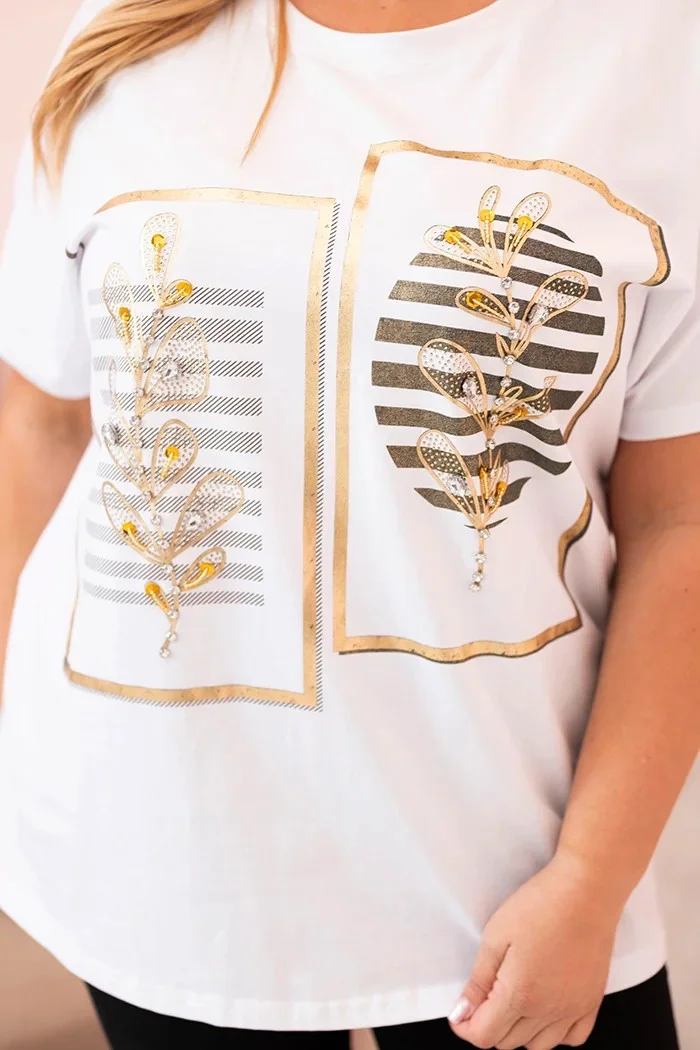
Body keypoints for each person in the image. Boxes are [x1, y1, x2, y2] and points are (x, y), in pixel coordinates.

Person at [0, 0, 699, 1046]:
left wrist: (592, 878)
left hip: (510, 873)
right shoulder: (125, 40)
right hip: (162, 858)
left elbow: (678, 520)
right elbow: (42, 425)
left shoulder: (654, 59)